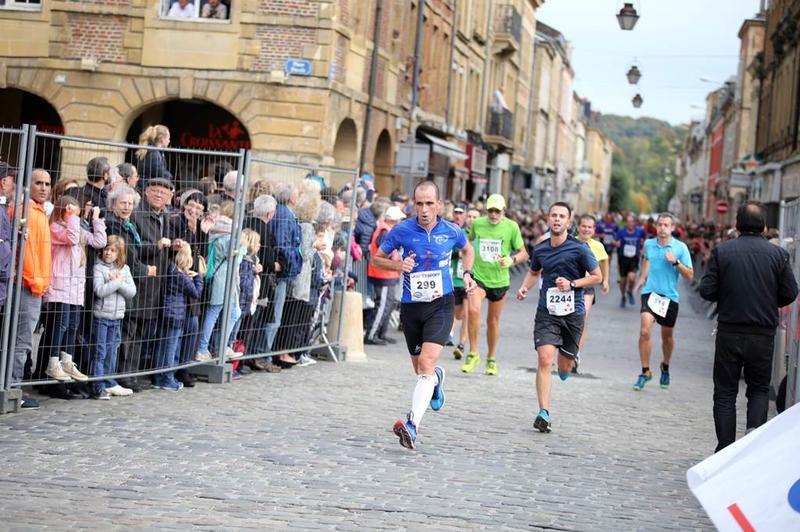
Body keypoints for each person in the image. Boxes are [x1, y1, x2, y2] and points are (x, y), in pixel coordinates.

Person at [372, 181, 476, 450]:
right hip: (411, 307)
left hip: (441, 304)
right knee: (421, 369)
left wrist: (467, 273)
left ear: (439, 205)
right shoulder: (402, 230)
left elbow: (468, 250)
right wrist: (397, 264)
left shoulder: (452, 230)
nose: (424, 209)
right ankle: (437, 380)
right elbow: (376, 259)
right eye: (419, 203)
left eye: (430, 203)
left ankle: (412, 425)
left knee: (426, 363)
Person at [699, 202, 798, 452]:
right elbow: (790, 292)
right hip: (762, 333)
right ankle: (751, 446)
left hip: (730, 330)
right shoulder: (778, 255)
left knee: (724, 393)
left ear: (736, 224)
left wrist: (729, 293)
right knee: (759, 390)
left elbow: (707, 291)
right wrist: (767, 299)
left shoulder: (723, 251)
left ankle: (724, 448)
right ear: (764, 226)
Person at [516, 202, 601, 433]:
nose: (557, 219)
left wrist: (572, 284)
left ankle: (567, 364)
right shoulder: (541, 248)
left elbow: (597, 277)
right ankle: (544, 412)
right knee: (544, 359)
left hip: (573, 314)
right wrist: (525, 287)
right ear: (548, 218)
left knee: (564, 367)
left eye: (562, 216)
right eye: (553, 215)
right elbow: (534, 272)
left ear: (569, 222)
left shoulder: (580, 249)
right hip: (547, 312)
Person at [462, 194, 527, 376]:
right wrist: (467, 256)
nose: (493, 214)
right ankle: (473, 352)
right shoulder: (478, 224)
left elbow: (524, 253)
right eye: (490, 210)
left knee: (492, 321)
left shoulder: (511, 227)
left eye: (497, 211)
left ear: (503, 211)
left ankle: (491, 357)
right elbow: (468, 241)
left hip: (500, 280)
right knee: (473, 310)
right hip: (480, 277)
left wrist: (511, 259)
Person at [632, 213, 694, 391]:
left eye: (666, 225)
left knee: (667, 337)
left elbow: (690, 275)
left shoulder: (680, 248)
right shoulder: (649, 244)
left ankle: (665, 366)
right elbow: (646, 261)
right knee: (644, 331)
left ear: (672, 228)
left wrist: (676, 263)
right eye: (660, 224)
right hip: (650, 293)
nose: (662, 228)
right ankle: (645, 371)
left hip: (669, 297)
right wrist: (642, 279)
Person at [10, 169, 52, 410]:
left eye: (47, 183)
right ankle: (13, 388)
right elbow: (23, 254)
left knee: (22, 341)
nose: (44, 187)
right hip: (26, 285)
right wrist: (36, 281)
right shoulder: (23, 210)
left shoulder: (38, 211)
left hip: (36, 284)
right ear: (29, 185)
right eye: (39, 183)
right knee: (22, 341)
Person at [91, 236, 137, 400]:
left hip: (117, 317)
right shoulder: (98, 268)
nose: (108, 253)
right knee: (100, 351)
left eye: (113, 250)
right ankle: (98, 386)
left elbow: (132, 291)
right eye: (106, 249)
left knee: (112, 351)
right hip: (102, 316)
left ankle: (110, 382)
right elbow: (100, 291)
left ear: (119, 253)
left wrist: (118, 282)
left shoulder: (125, 269)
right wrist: (117, 284)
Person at [364, 205, 405, 345]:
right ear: (394, 220)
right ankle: (371, 335)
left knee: (388, 304)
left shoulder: (387, 230)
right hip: (382, 273)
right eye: (399, 219)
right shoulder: (385, 232)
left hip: (388, 273)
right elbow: (384, 254)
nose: (400, 222)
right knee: (382, 305)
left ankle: (381, 333)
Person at [575, 214, 610, 367]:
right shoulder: (571, 242)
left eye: (590, 227)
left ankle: (576, 353)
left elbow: (604, 261)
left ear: (594, 230)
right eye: (584, 226)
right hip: (571, 285)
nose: (586, 229)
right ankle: (565, 350)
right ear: (578, 227)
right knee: (565, 320)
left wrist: (605, 280)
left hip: (587, 287)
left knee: (581, 318)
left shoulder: (598, 246)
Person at [614, 214, 646, 308]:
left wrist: (642, 247)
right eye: (628, 222)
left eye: (632, 222)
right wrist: (616, 243)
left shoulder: (640, 231)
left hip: (634, 258)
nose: (630, 224)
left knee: (632, 277)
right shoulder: (621, 231)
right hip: (623, 258)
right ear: (626, 222)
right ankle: (623, 296)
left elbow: (644, 240)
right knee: (623, 280)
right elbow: (615, 241)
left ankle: (630, 291)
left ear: (635, 222)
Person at [450, 203, 469, 359]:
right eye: (455, 212)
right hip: (456, 279)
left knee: (469, 313)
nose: (457, 216)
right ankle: (451, 333)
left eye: (460, 213)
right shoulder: (451, 231)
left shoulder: (474, 234)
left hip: (471, 280)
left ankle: (461, 345)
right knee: (457, 314)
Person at [135, 125, 173, 189]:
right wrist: (170, 177)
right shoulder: (153, 153)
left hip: (145, 186)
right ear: (162, 139)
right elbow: (160, 173)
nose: (169, 141)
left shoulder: (152, 150)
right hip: (146, 188)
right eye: (168, 138)